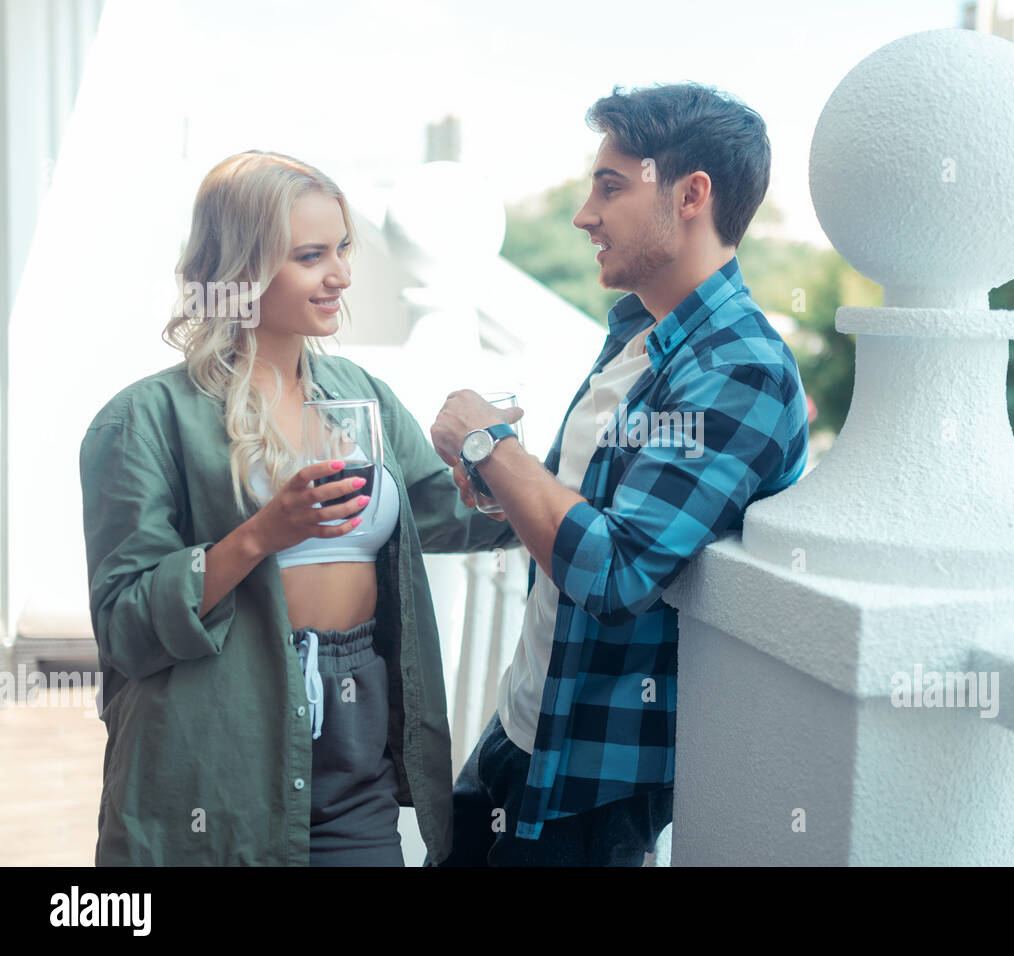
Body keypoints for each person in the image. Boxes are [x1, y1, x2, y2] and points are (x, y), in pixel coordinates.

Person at [78, 150, 517, 865]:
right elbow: (126, 628)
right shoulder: (142, 420)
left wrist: (506, 469)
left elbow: (438, 510)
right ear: (241, 272)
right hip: (218, 745)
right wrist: (258, 536)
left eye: (342, 248)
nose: (340, 275)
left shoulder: (358, 393)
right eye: (311, 256)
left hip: (359, 736)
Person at [427, 83, 811, 866]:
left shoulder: (739, 367)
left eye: (610, 187)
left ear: (692, 194)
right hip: (522, 725)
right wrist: (507, 490)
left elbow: (618, 570)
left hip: (589, 786)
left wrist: (487, 451)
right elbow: (596, 511)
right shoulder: (642, 332)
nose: (584, 215)